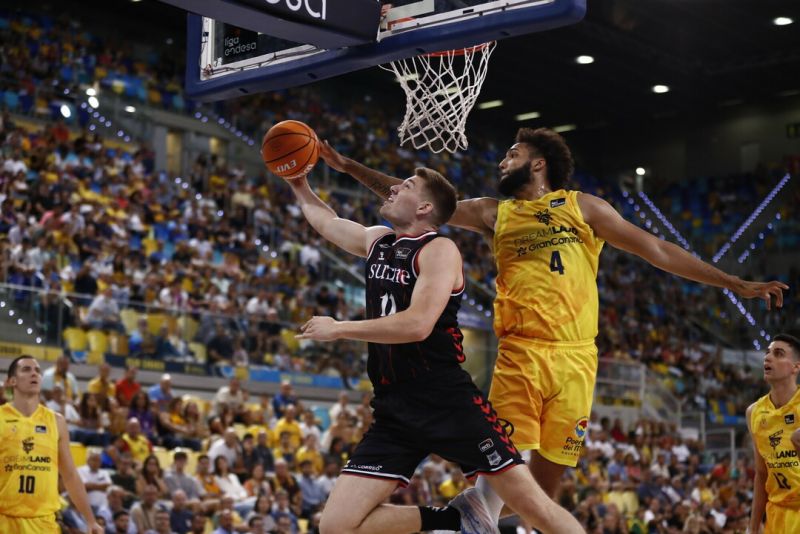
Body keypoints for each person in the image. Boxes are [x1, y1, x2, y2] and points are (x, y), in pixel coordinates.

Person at [322, 128, 789, 504]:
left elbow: (657, 249)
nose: (501, 161)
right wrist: (348, 168)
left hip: (576, 360)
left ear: (538, 162)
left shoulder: (582, 207)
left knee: (546, 491)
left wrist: (734, 282)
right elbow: (420, 202)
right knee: (497, 485)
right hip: (520, 355)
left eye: (511, 153)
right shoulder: (493, 213)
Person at [288, 168, 581, 533]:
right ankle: (456, 519)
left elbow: (417, 324)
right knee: (336, 527)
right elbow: (327, 221)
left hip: (445, 400)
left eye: (406, 185)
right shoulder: (378, 241)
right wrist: (298, 184)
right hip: (394, 408)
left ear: (425, 206)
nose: (393, 188)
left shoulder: (439, 250)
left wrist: (340, 328)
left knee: (535, 508)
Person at [0, 355, 103, 533]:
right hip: (4, 519)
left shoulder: (56, 421)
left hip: (43, 523)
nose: (34, 374)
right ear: (12, 381)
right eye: (26, 369)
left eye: (37, 371)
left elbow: (70, 475)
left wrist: (90, 520)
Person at [747, 334, 800, 534]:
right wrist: (752, 529)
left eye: (778, 354)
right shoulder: (754, 412)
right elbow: (761, 475)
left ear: (796, 367)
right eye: (768, 353)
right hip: (776, 515)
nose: (768, 358)